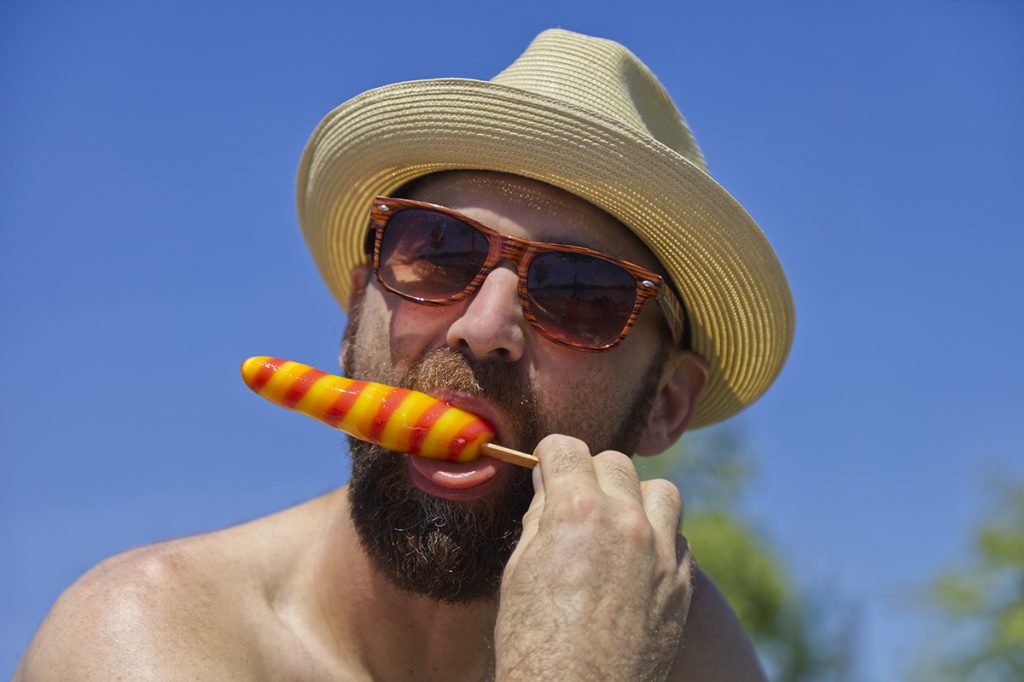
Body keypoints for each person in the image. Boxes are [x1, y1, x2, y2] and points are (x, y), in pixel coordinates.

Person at [16, 29, 793, 681]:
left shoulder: (696, 658)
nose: (485, 325)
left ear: (665, 406)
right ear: (360, 308)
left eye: (582, 292)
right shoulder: (145, 642)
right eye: (440, 251)